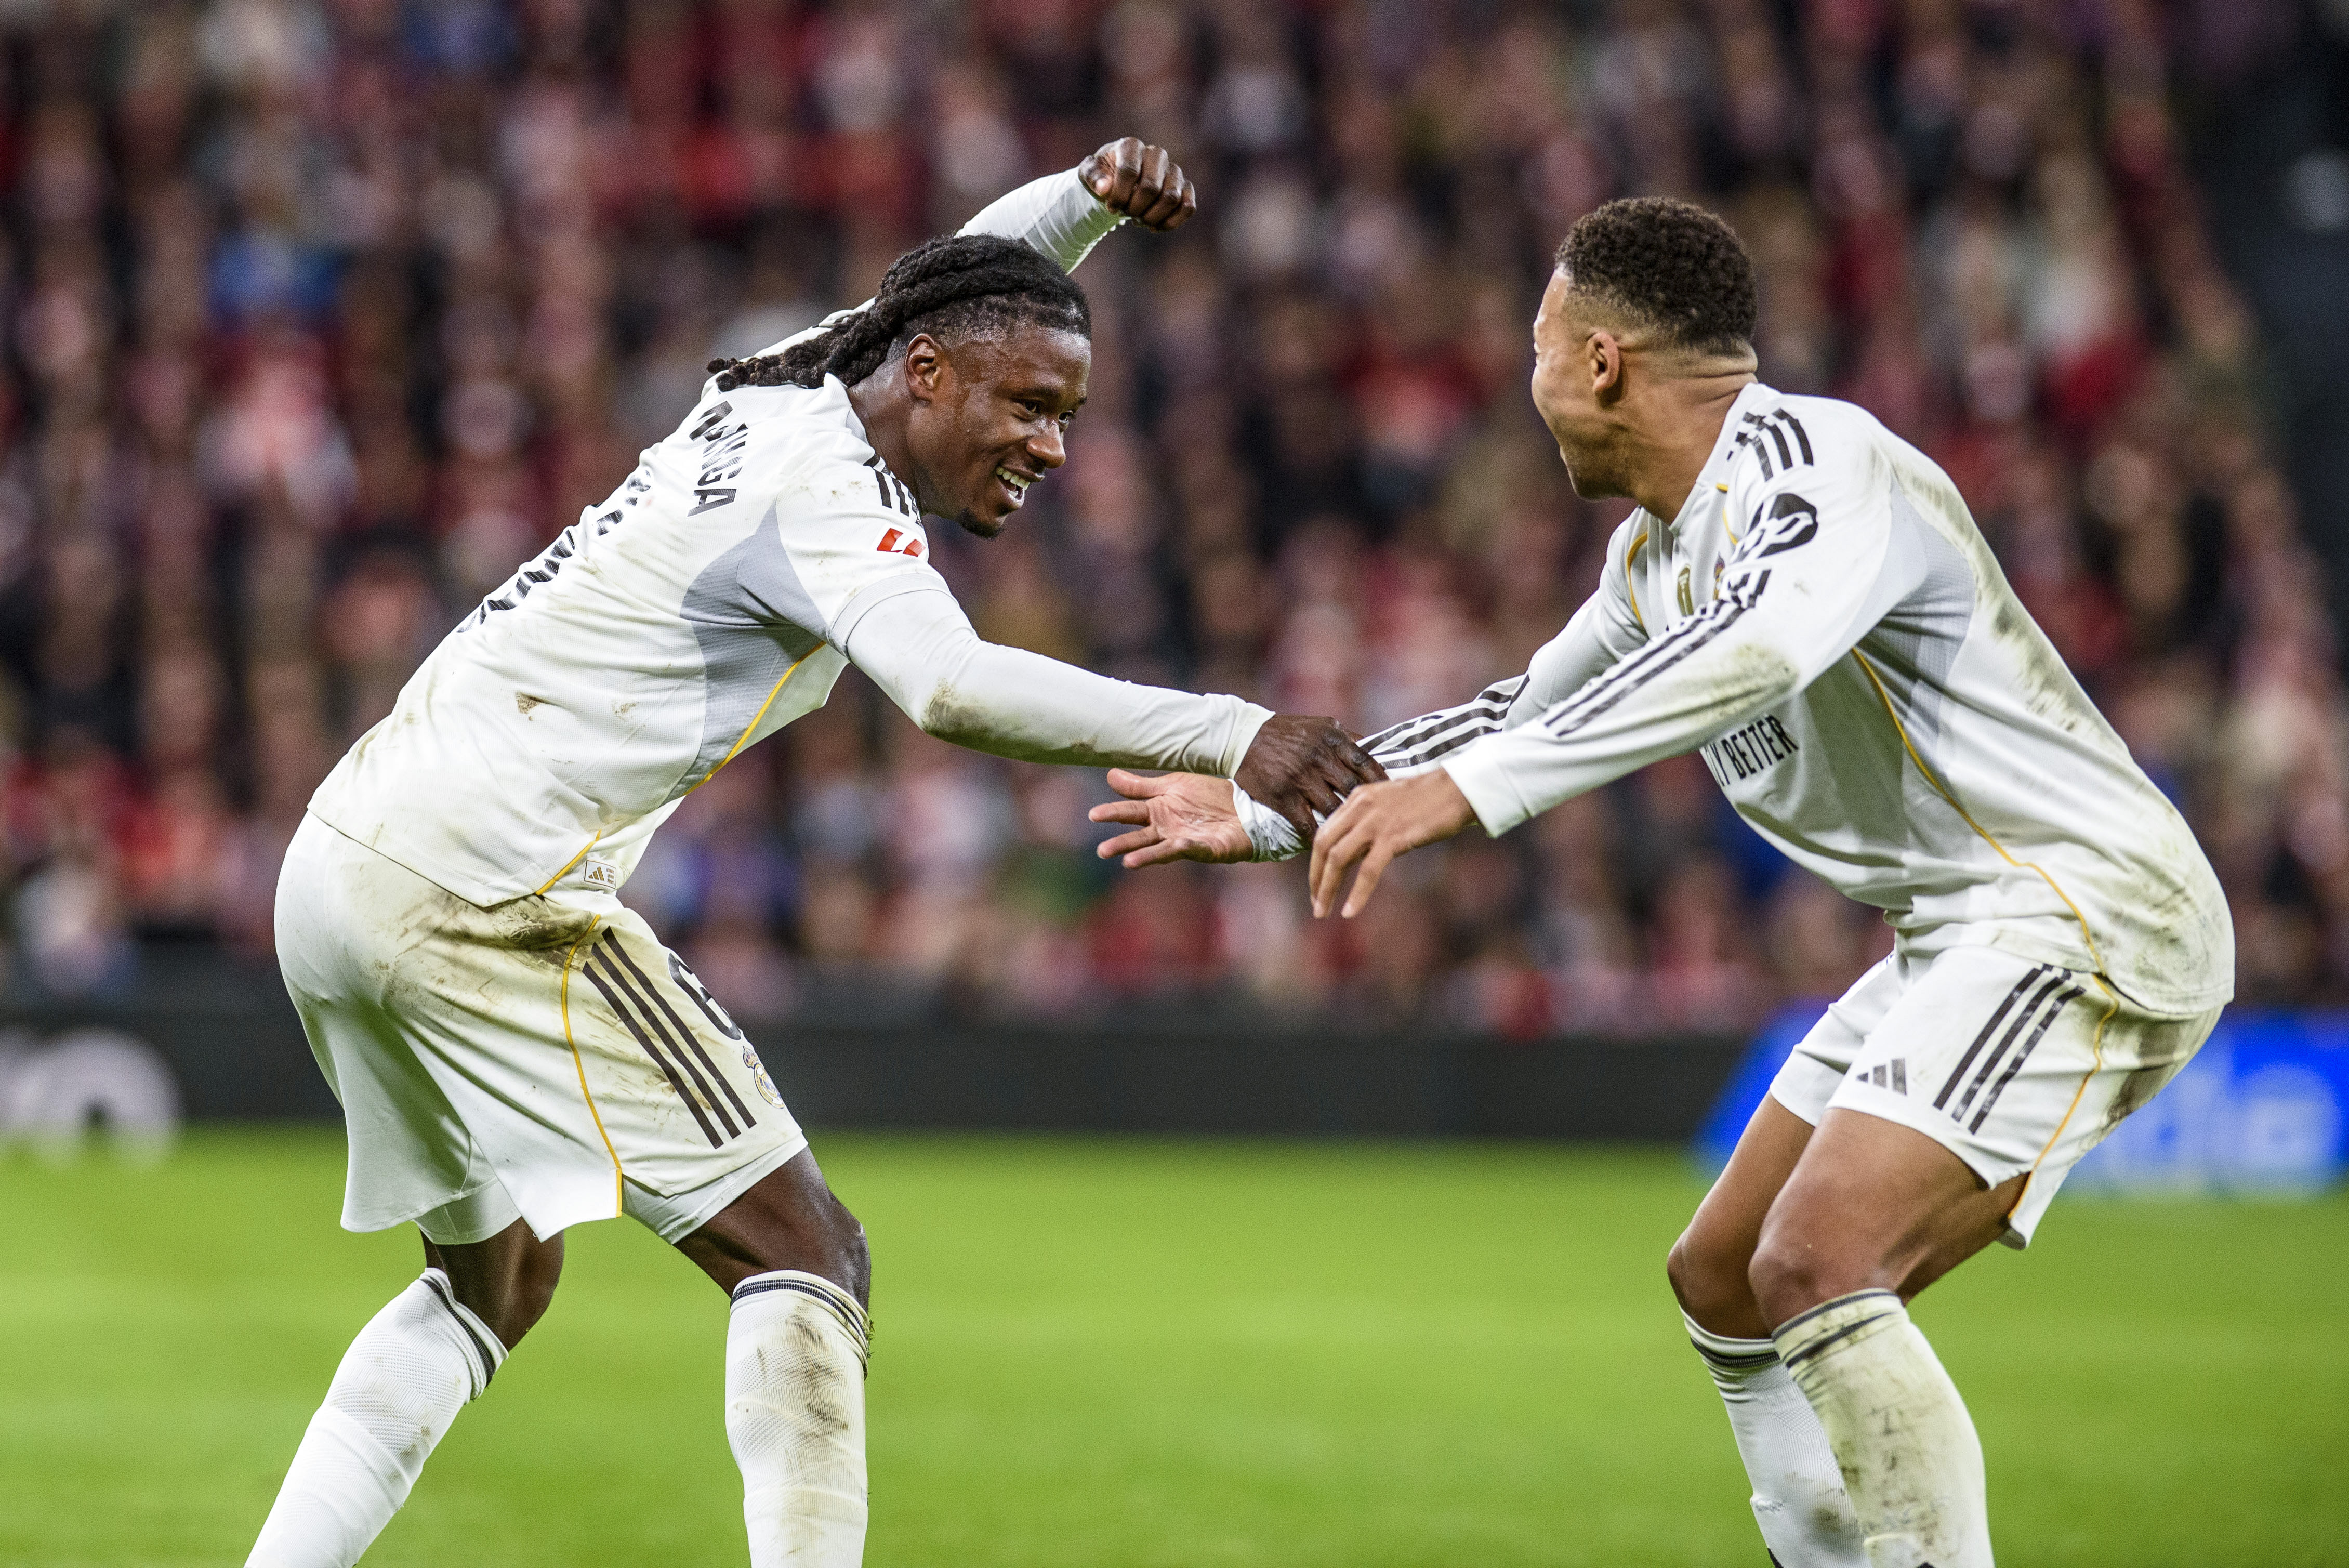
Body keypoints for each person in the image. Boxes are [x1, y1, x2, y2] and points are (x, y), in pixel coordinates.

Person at [247, 138, 1381, 1568]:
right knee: (806, 1251)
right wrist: (1234, 731)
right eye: (1032, 407)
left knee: (495, 1277)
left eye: (1070, 413)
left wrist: (1082, 207)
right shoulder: (829, 494)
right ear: (928, 383)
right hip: (484, 889)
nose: (1052, 444)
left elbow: (946, 286)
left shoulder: (788, 376)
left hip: (344, 860)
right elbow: (951, 687)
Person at [1087, 196, 2232, 1567]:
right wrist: (1276, 812)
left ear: (1602, 363)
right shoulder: (1654, 556)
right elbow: (1519, 708)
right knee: (1728, 1279)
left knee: (1819, 1259)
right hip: (1958, 932)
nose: (1531, 383)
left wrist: (1474, 796)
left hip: (2085, 907)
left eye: (1537, 347)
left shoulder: (1823, 467)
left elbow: (1752, 650)